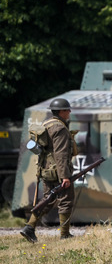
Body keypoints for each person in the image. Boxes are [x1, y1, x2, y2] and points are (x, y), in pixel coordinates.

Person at [20, 98, 77, 242]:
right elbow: (61, 154)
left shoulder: (46, 124)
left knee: (48, 200)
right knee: (66, 201)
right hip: (58, 172)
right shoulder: (60, 129)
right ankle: (65, 234)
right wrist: (65, 176)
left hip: (46, 170)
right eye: (67, 109)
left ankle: (29, 227)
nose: (69, 111)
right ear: (61, 112)